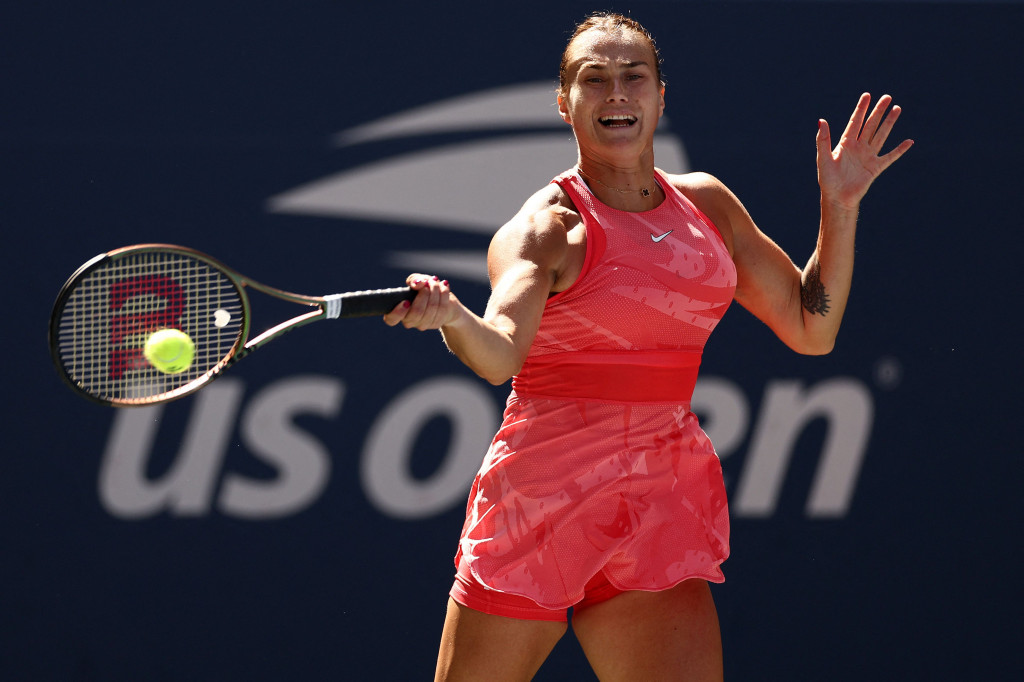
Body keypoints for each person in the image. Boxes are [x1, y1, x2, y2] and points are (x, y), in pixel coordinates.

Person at [384, 12, 912, 681]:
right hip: (541, 506)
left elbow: (813, 329)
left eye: (634, 77)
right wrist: (453, 317)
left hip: (658, 506)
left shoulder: (709, 208)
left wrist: (839, 207)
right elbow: (498, 356)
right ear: (564, 103)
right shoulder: (547, 229)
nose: (616, 94)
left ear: (661, 95)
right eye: (593, 80)